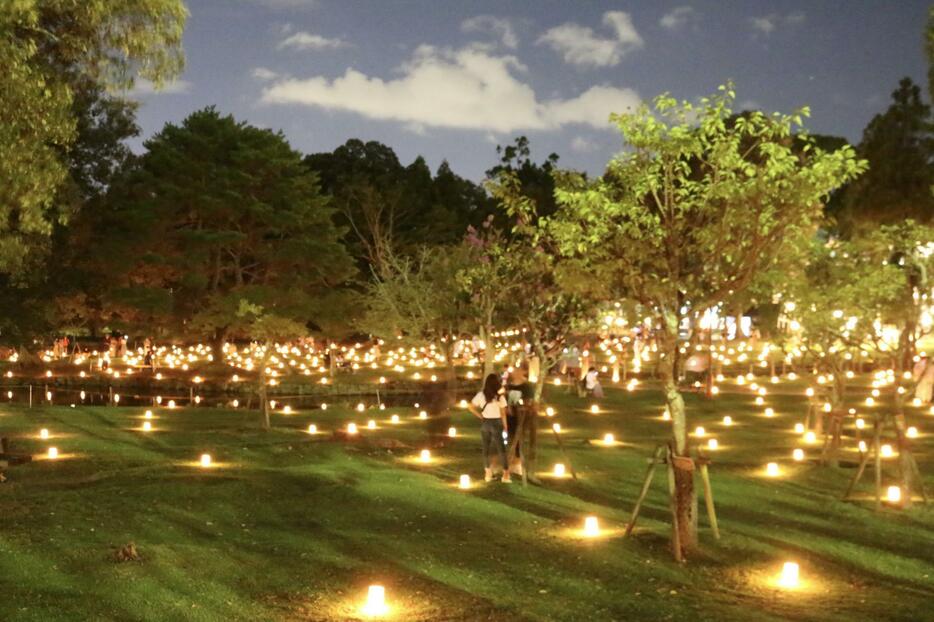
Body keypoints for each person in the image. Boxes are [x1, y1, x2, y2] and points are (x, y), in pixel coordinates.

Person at [468, 373, 511, 483]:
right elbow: (503, 414)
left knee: (486, 448)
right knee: (501, 449)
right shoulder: (500, 397)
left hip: (485, 423)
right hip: (497, 423)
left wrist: (480, 416)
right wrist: (505, 427)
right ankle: (506, 475)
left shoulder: (481, 395)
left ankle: (487, 473)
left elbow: (470, 406)